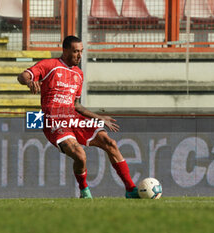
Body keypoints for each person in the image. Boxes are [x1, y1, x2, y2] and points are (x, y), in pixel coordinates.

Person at [18, 35, 139, 199]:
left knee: (110, 143)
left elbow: (76, 105)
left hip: (73, 117)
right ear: (65, 50)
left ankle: (131, 189)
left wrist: (98, 118)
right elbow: (23, 76)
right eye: (76, 51)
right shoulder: (50, 65)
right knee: (80, 155)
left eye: (81, 51)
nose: (80, 56)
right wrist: (29, 82)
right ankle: (84, 191)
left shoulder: (79, 74)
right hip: (54, 120)